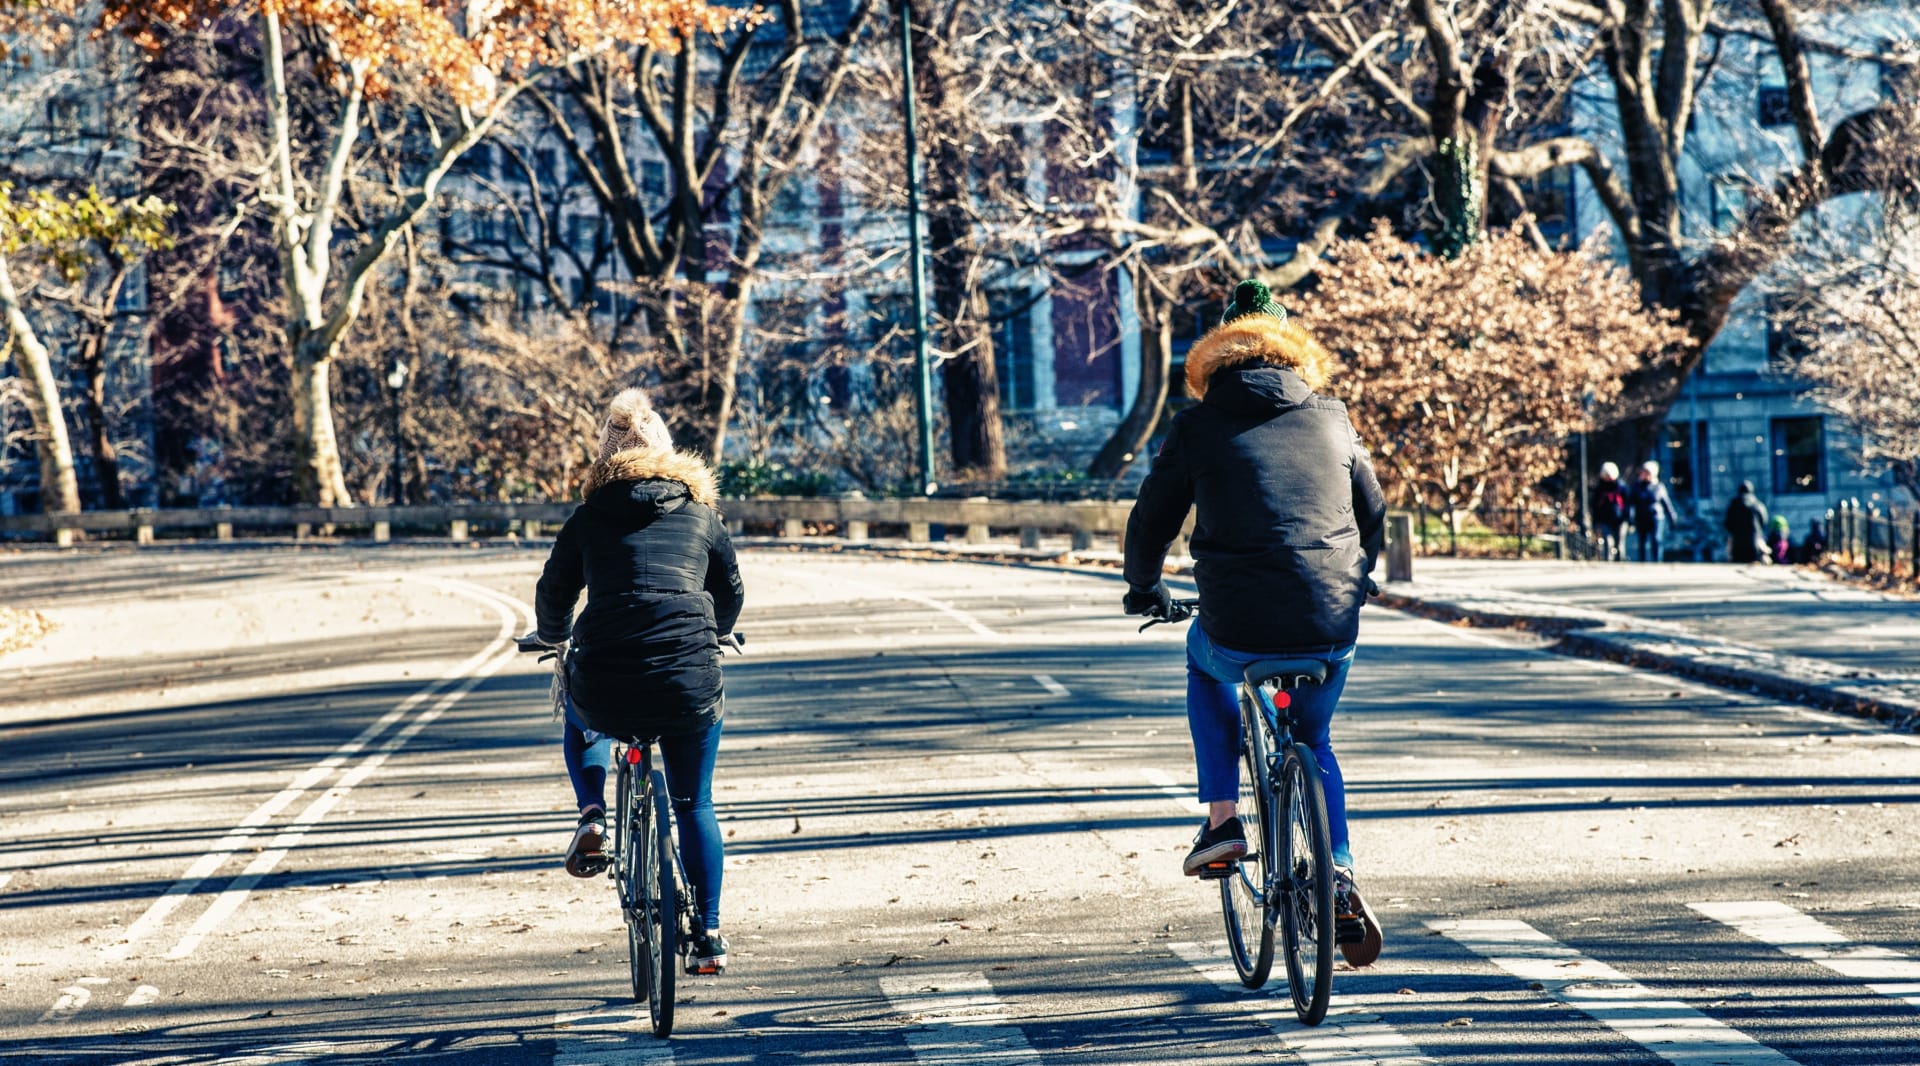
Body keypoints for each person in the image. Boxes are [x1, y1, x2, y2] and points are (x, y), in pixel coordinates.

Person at [1121, 279, 1387, 962]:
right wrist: (1365, 573)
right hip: (1332, 618)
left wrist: (1145, 587)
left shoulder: (1197, 426)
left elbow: (1153, 518)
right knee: (1316, 737)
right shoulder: (1333, 417)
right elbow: (1373, 511)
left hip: (1236, 625)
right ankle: (1339, 869)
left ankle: (1223, 822)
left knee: (1202, 661)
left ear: (1217, 357)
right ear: (1295, 355)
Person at [534, 387, 745, 974]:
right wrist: (717, 630)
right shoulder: (703, 518)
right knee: (693, 802)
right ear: (669, 455)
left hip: (606, 675)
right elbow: (729, 593)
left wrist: (554, 637)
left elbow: (554, 595)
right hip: (688, 679)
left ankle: (592, 813)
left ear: (606, 460)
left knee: (582, 711)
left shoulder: (588, 518)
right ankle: (707, 934)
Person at [1628, 460, 1678, 563]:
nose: (1645, 475)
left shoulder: (1658, 487)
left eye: (1647, 473)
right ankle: (1642, 561)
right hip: (1641, 517)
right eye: (1643, 472)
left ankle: (1657, 560)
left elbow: (1666, 503)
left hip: (1656, 517)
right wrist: (1630, 517)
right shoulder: (1636, 487)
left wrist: (1672, 517)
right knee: (1642, 540)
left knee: (1656, 538)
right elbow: (1631, 503)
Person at [1723, 479, 1770, 564]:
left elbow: (1727, 524)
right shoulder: (1758, 504)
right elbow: (1764, 522)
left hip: (1737, 545)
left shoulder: (1734, 505)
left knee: (1737, 568)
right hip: (1754, 544)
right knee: (1753, 566)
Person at [1589, 461, 1628, 561]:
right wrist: (1596, 521)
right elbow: (1595, 506)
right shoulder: (1600, 488)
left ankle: (1620, 561)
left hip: (1620, 519)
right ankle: (1608, 562)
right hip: (1604, 520)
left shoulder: (1621, 487)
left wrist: (1628, 519)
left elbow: (1628, 504)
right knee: (1608, 542)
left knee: (1619, 543)